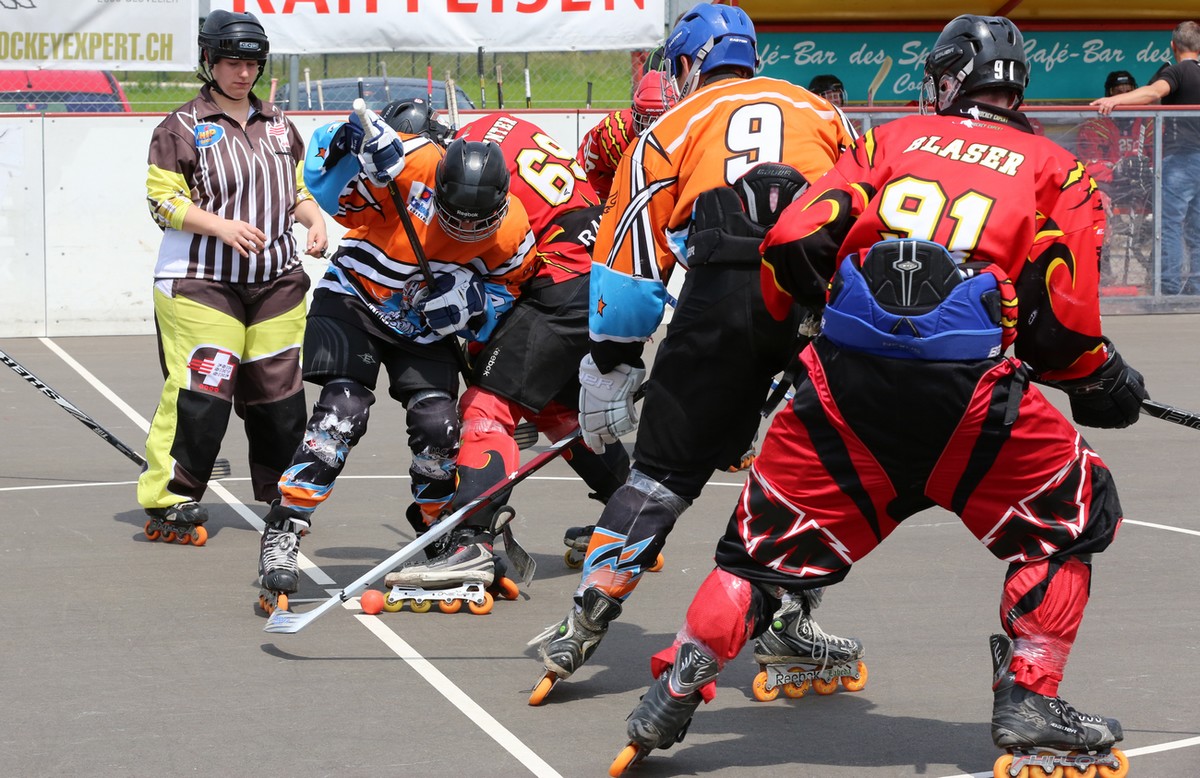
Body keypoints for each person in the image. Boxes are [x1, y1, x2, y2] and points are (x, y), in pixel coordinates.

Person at [608, 15, 1146, 777]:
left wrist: (828, 312)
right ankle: (1030, 695)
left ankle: (676, 685)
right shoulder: (1058, 169)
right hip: (969, 401)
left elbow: (793, 239)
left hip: (846, 385)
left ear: (948, 80)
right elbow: (1064, 326)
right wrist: (1103, 382)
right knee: (1075, 512)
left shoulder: (890, 140)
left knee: (761, 551)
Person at [529, 2, 861, 706]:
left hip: (720, 300)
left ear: (686, 64)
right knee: (808, 479)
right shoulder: (823, 113)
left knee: (659, 477)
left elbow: (629, 258)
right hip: (820, 308)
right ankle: (786, 616)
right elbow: (866, 208)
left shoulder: (670, 126)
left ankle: (588, 612)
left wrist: (611, 362)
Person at [255, 106, 539, 612]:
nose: (465, 229)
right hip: (355, 300)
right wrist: (353, 144)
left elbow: (509, 291)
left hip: (424, 327)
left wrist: (473, 303)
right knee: (343, 409)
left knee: (438, 423)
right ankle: (285, 526)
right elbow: (321, 178)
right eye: (455, 216)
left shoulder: (515, 230)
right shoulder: (413, 162)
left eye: (478, 222)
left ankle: (440, 530)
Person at [380, 112, 636, 605]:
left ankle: (470, 543)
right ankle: (632, 522)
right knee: (555, 408)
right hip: (605, 266)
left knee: (487, 407)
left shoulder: (456, 175)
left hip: (561, 279)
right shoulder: (496, 127)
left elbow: (493, 272)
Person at [139, 10, 328, 547]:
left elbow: (296, 191)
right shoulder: (180, 127)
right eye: (230, 63)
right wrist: (220, 226)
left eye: (251, 64)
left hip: (277, 280)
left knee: (280, 395)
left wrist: (314, 220)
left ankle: (283, 493)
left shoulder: (279, 124)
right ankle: (170, 497)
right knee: (204, 387)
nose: (243, 74)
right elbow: (162, 201)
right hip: (201, 280)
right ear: (209, 61)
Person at [1092, 21, 1200, 295]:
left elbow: (1153, 92)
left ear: (1173, 46)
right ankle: (1197, 288)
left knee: (1169, 225)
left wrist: (1115, 100)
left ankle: (1168, 289)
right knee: (1197, 229)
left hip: (1181, 160)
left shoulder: (1178, 70)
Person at [1078, 71, 1156, 286]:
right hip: (1111, 186)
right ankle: (1104, 272)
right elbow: (1088, 164)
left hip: (1143, 185)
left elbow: (1161, 158)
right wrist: (1117, 170)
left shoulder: (1150, 122)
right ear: (1109, 94)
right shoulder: (1094, 125)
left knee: (1169, 207)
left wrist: (1147, 170)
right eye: (1118, 92)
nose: (1123, 96)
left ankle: (1156, 274)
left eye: (1128, 91)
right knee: (1097, 203)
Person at [575, 70, 679, 201]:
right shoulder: (615, 132)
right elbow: (589, 177)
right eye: (648, 120)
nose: (654, 127)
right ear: (635, 114)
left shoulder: (691, 129)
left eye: (660, 119)